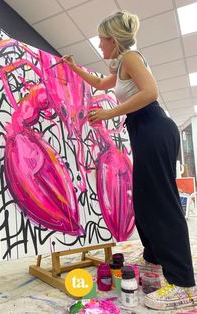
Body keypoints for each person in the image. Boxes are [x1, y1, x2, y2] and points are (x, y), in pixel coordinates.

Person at [62, 10, 197, 311]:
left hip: (154, 128)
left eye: (102, 39)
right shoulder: (123, 64)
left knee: (161, 202)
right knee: (145, 201)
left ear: (114, 40)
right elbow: (100, 84)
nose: (99, 45)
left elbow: (151, 92)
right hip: (145, 131)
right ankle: (153, 259)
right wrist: (74, 68)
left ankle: (185, 284)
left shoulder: (132, 58)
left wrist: (110, 113)